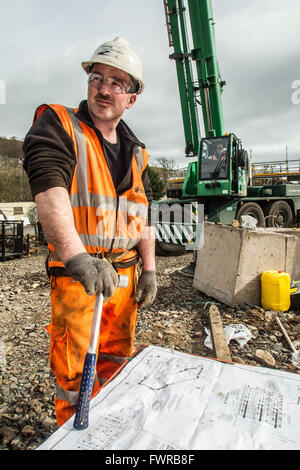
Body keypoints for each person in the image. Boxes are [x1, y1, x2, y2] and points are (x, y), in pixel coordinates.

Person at [23, 37, 157, 426]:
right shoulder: (60, 124)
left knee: (117, 359)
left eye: (117, 82)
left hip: (124, 276)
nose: (104, 87)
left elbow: (143, 214)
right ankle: (76, 431)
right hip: (78, 278)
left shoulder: (137, 152)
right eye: (98, 77)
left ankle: (109, 429)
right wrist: (75, 255)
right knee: (76, 372)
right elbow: (49, 185)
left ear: (131, 98)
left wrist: (149, 269)